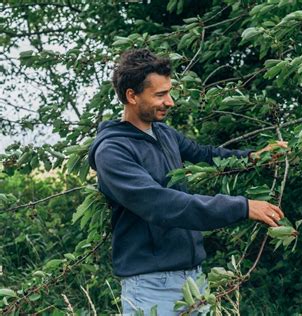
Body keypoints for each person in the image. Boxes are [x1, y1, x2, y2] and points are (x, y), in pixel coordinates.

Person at [88, 48, 286, 315]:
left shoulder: (164, 133)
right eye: (160, 95)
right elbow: (161, 204)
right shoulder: (112, 152)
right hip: (150, 287)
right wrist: (241, 207)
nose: (170, 102)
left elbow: (206, 155)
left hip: (193, 280)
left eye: (169, 92)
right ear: (131, 96)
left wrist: (254, 158)